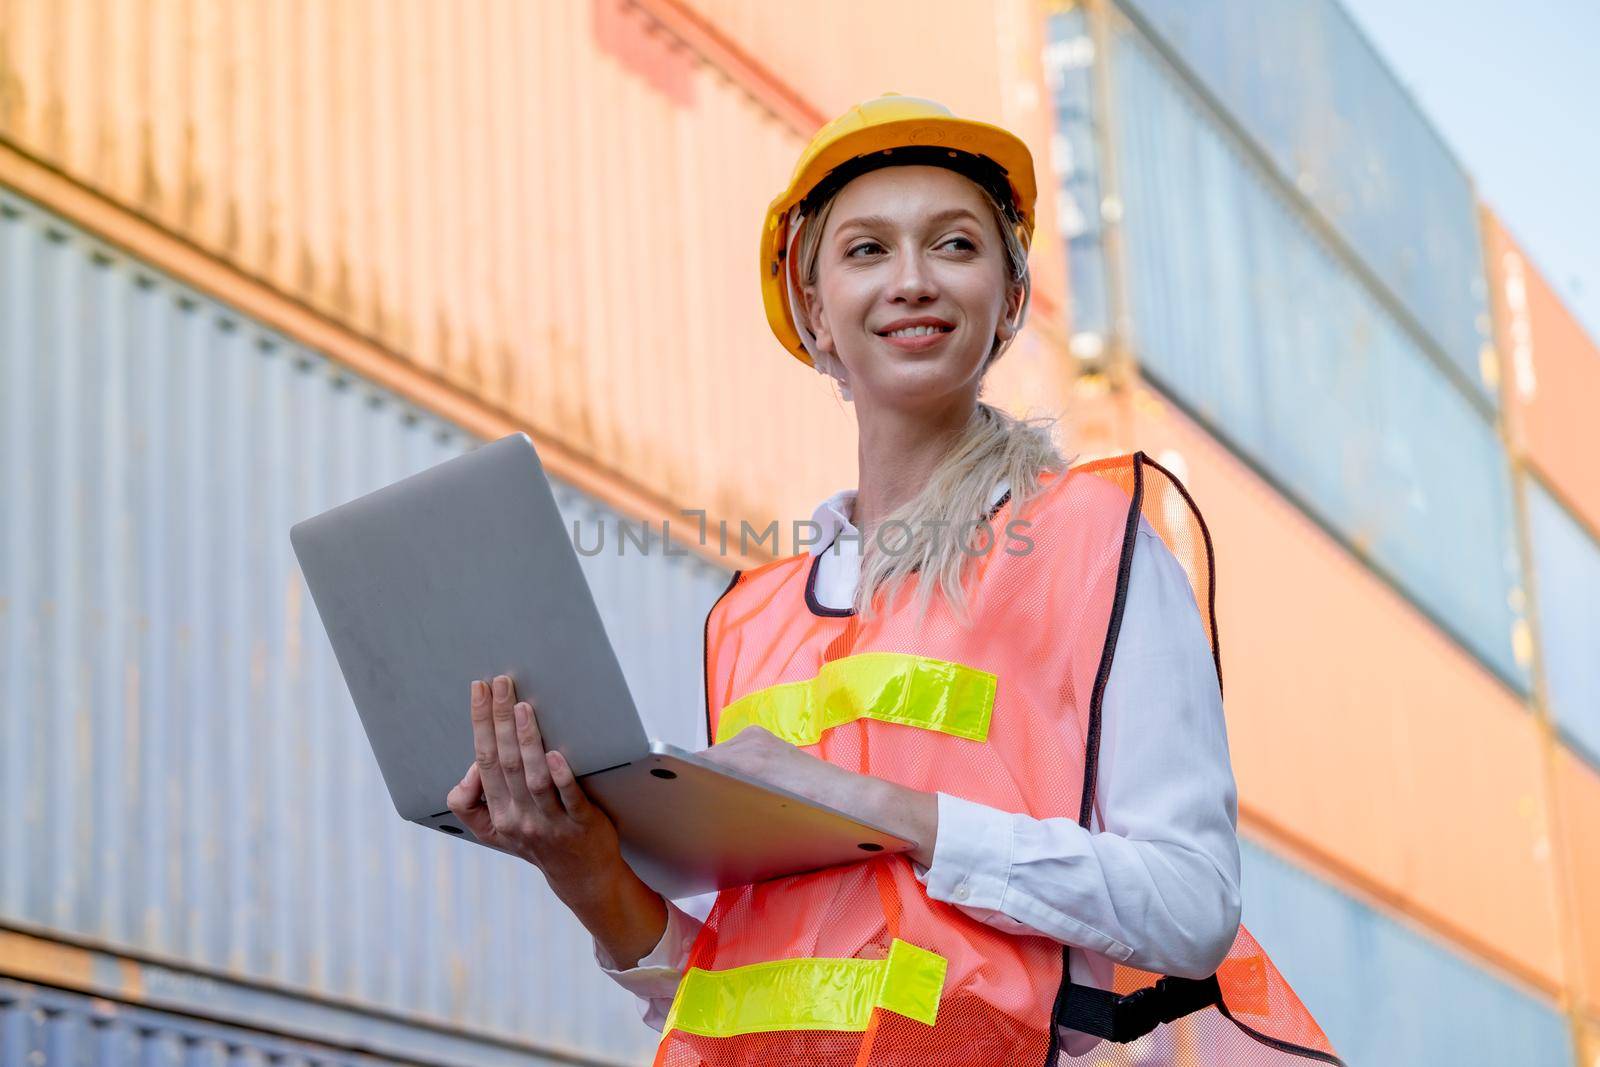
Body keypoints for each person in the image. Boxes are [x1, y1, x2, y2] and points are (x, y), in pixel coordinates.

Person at [446, 95, 1343, 1066]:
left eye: (953, 245)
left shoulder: (1091, 542)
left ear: (1007, 300)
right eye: (866, 250)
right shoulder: (754, 617)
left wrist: (881, 808)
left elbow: (1191, 904)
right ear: (813, 312)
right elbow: (743, 994)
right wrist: (583, 872)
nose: (910, 280)